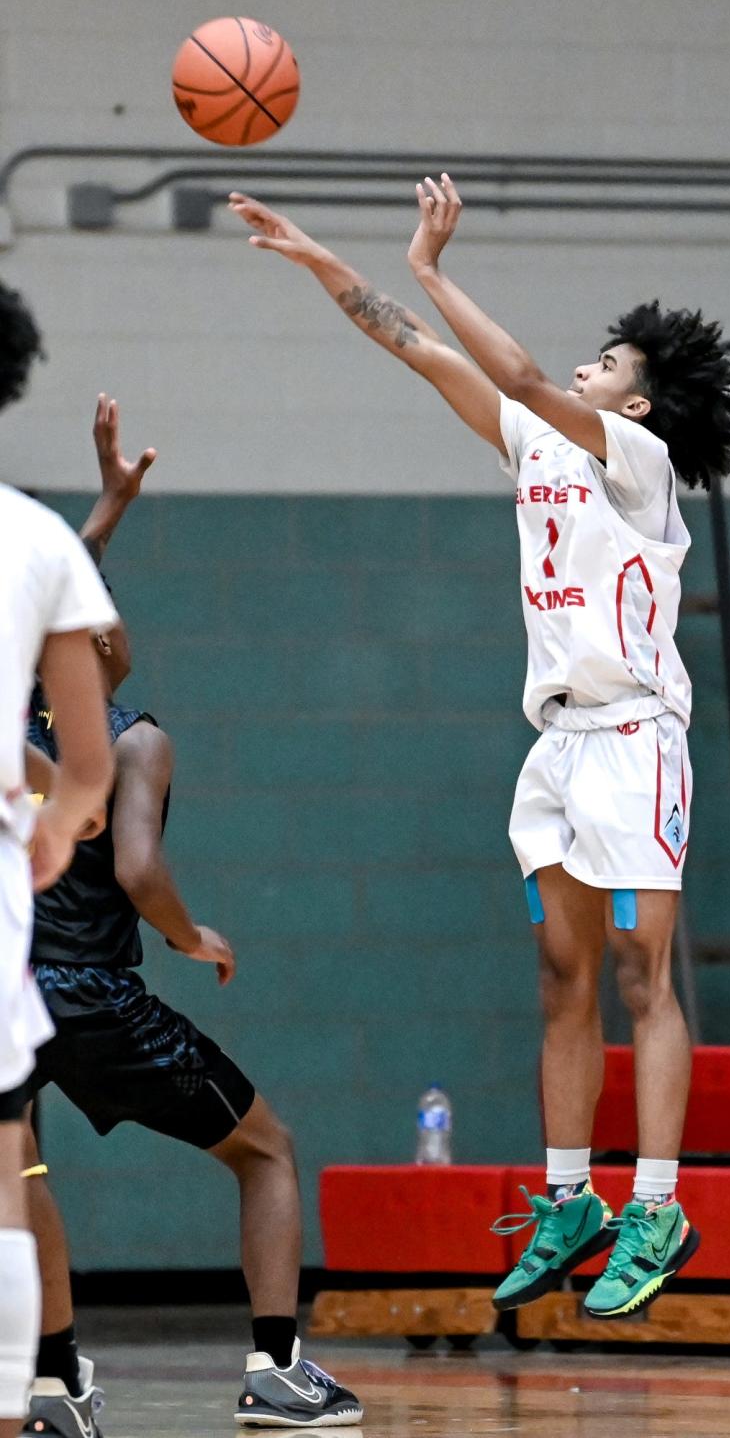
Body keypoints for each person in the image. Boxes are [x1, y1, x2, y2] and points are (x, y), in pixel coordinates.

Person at [229, 175, 730, 1320]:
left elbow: (507, 368)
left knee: (638, 974)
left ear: (643, 406)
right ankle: (573, 1199)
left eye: (607, 364)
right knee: (561, 975)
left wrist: (432, 264)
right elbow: (415, 352)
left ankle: (656, 1204)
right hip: (554, 745)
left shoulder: (638, 467)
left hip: (634, 739)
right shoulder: (538, 447)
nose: (581, 368)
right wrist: (321, 258)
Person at [22, 401, 363, 1434]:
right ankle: (275, 1367)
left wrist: (108, 511)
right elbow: (137, 868)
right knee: (266, 1147)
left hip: (13, 995)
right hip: (96, 994)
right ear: (105, 647)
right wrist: (188, 931)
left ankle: (53, 1380)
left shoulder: (6, 719)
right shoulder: (133, 739)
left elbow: (45, 583)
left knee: (20, 1176)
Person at [0, 280, 116, 1438]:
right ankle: (22, 1397)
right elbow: (87, 761)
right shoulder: (36, 538)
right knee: (1, 1164)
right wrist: (46, 831)